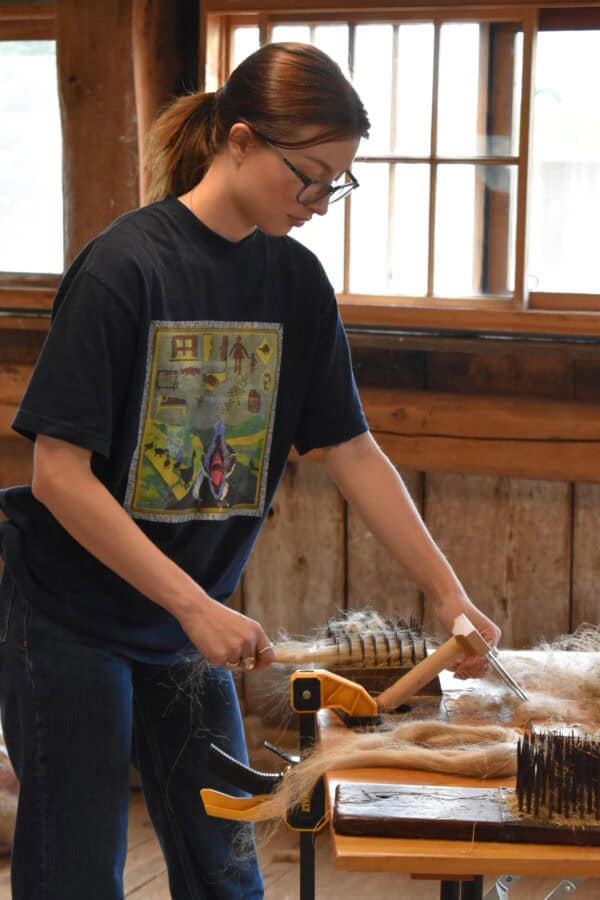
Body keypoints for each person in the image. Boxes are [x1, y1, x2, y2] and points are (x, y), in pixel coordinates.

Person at [0, 42, 501, 900]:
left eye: (335, 183)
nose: (317, 203)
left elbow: (353, 449)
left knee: (227, 861)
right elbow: (58, 474)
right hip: (69, 616)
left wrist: (448, 591)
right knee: (76, 872)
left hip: (189, 624)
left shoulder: (296, 283)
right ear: (238, 140)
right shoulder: (126, 269)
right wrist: (196, 607)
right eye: (307, 176)